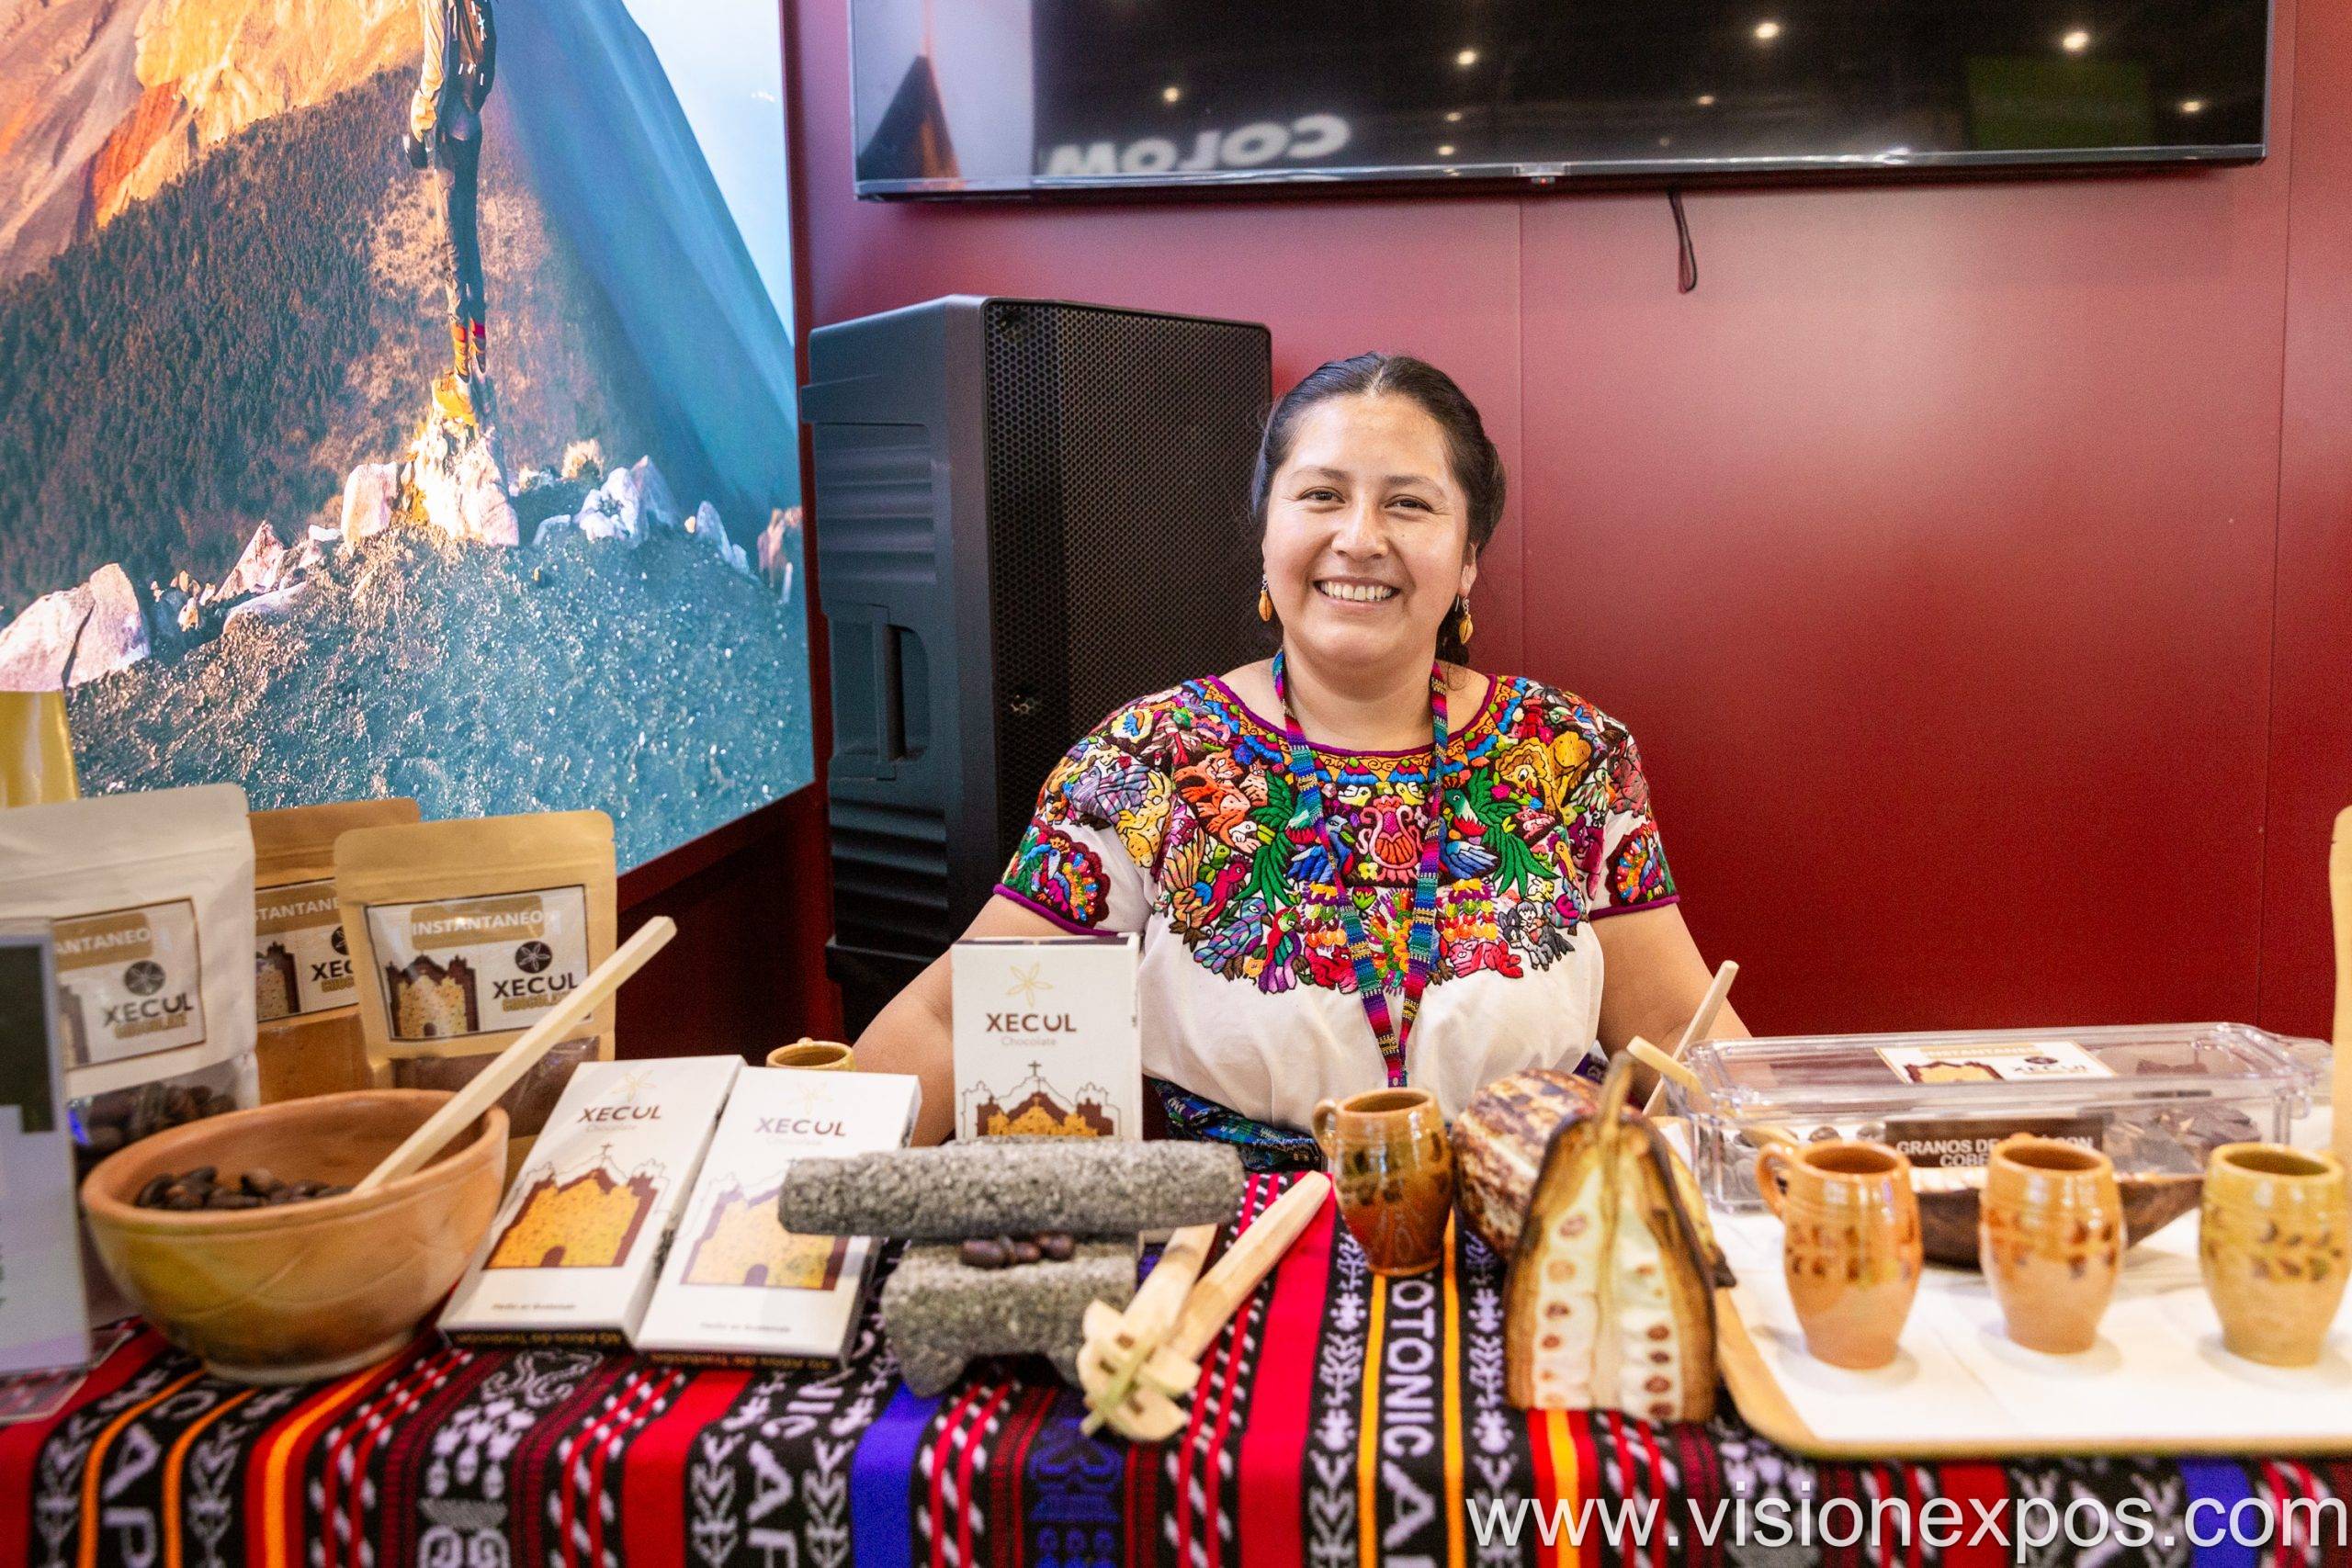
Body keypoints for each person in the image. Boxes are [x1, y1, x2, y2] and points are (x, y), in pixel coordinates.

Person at [856, 353, 1747, 1165]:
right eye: (1321, 495)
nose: (1359, 537)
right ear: (1266, 535)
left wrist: (1785, 1161)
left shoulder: (1570, 754)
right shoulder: (1147, 760)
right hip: (1231, 1246)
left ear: (1468, 559)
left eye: (1408, 503)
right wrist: (796, 1196)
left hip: (1530, 1228)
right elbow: (953, 1018)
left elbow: (1677, 1026)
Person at [404, 0, 498, 425]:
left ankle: (461, 385)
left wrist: (418, 127)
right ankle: (481, 367)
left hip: (450, 137)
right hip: (472, 126)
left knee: (452, 254)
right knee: (469, 240)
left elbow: (436, 72)